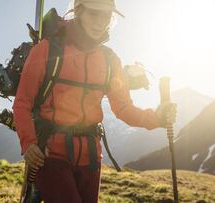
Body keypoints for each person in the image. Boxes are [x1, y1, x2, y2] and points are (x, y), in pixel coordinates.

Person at [13, 0, 177, 202]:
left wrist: (157, 118)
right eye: (94, 13)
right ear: (79, 12)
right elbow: (22, 103)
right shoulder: (47, 50)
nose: (101, 22)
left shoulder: (110, 60)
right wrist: (29, 144)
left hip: (91, 157)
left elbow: (124, 108)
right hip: (50, 154)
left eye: (106, 15)